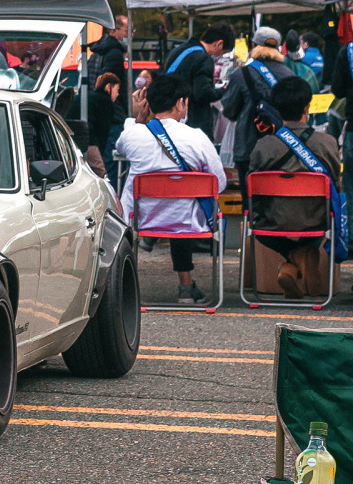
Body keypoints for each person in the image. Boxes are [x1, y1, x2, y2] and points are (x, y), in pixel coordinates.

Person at [117, 75, 225, 305]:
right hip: (189, 221)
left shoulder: (132, 135)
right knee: (182, 206)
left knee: (173, 207)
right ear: (180, 103)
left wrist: (139, 120)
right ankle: (186, 288)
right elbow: (220, 183)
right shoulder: (197, 138)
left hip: (142, 220)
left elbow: (120, 148)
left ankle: (133, 288)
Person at [248, 76, 341, 298]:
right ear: (307, 107)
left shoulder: (264, 146)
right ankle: (297, 259)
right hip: (317, 221)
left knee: (256, 223)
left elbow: (252, 193)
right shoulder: (327, 143)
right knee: (327, 215)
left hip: (271, 223)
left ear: (276, 110)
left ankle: (291, 262)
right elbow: (336, 185)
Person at [222, 27, 297, 205]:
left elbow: (230, 111)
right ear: (278, 48)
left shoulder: (242, 74)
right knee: (279, 200)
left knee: (252, 204)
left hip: (248, 147)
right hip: (284, 147)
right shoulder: (290, 75)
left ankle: (253, 231)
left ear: (254, 45)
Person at [161, 21, 234, 140]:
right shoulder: (204, 59)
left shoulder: (178, 50)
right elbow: (203, 93)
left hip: (169, 115)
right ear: (219, 44)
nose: (220, 55)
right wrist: (223, 90)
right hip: (193, 121)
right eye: (223, 52)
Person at [89, 14, 129, 186]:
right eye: (127, 31)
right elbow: (110, 81)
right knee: (111, 161)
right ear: (114, 31)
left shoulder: (98, 51)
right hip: (112, 114)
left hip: (97, 111)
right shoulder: (114, 54)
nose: (129, 35)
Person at [81, 72, 120, 178]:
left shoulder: (88, 96)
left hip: (76, 138)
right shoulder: (105, 101)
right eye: (117, 90)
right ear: (108, 87)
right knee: (101, 173)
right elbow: (103, 131)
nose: (118, 94)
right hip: (90, 140)